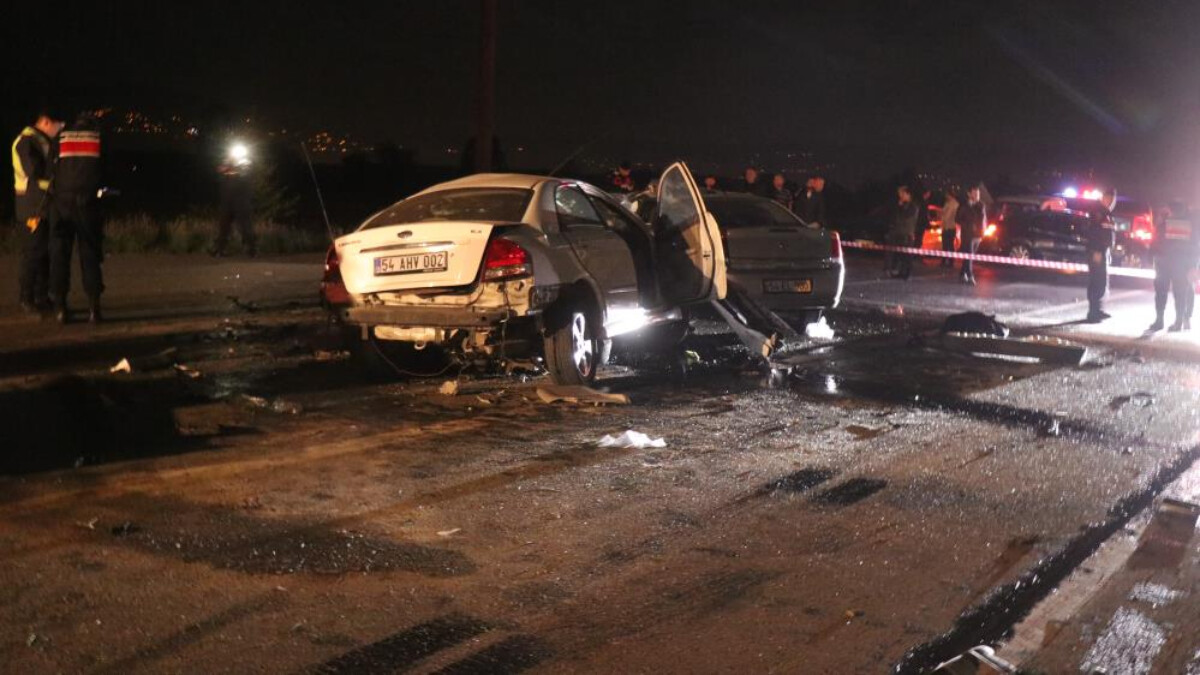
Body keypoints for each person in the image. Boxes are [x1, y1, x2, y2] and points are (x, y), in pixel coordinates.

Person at [48, 112, 104, 323]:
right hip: (88, 205)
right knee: (90, 255)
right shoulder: (97, 139)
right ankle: (94, 308)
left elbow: (50, 170)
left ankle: (61, 307)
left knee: (60, 256)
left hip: (62, 205)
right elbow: (105, 172)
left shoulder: (60, 138)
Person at [12, 110, 64, 315]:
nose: (59, 129)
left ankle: (41, 297)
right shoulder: (26, 142)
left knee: (44, 254)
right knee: (33, 254)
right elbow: (34, 172)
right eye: (57, 124)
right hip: (32, 206)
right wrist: (55, 176)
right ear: (44, 121)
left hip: (41, 204)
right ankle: (26, 298)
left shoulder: (40, 141)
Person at [1149, 202, 1198, 332]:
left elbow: (1154, 242)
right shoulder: (1189, 226)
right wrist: (1193, 265)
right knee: (1180, 294)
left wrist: (1151, 258)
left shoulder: (1164, 224)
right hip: (1181, 265)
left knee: (1161, 293)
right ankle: (1178, 322)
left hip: (1163, 263)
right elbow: (1195, 247)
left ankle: (1159, 321)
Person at [212, 139, 256, 257]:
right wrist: (228, 167)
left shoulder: (246, 163)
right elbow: (219, 171)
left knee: (245, 226)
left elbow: (244, 175)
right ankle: (220, 249)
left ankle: (251, 249)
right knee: (223, 227)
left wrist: (232, 169)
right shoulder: (226, 163)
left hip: (241, 201)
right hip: (227, 200)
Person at [1084, 188, 1117, 322]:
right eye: (1107, 198)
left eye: (1111, 199)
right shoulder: (1097, 212)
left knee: (1102, 281)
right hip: (1097, 251)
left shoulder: (1106, 213)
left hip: (1103, 251)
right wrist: (1096, 251)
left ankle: (1098, 309)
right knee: (1096, 281)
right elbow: (1093, 233)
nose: (1109, 201)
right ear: (1103, 198)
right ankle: (1093, 312)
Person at [885, 185, 919, 280]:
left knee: (907, 255)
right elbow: (894, 217)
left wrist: (900, 207)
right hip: (899, 232)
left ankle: (906, 273)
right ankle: (900, 272)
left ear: (908, 194)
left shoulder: (913, 206)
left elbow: (905, 217)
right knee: (900, 254)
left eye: (902, 193)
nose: (900, 196)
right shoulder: (900, 205)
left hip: (907, 234)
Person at [957, 185, 986, 285]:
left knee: (970, 255)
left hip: (978, 235)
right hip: (968, 234)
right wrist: (967, 226)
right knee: (969, 255)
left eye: (978, 193)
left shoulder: (981, 205)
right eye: (974, 193)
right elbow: (958, 219)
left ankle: (962, 273)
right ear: (969, 194)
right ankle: (970, 275)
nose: (977, 195)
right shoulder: (964, 206)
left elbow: (983, 220)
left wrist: (982, 233)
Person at [940, 189, 960, 268]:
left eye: (947, 195)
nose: (945, 196)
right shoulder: (948, 203)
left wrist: (943, 219)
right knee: (945, 245)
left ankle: (950, 261)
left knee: (949, 245)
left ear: (950, 195)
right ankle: (945, 260)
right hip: (946, 226)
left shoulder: (954, 204)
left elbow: (947, 215)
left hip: (950, 226)